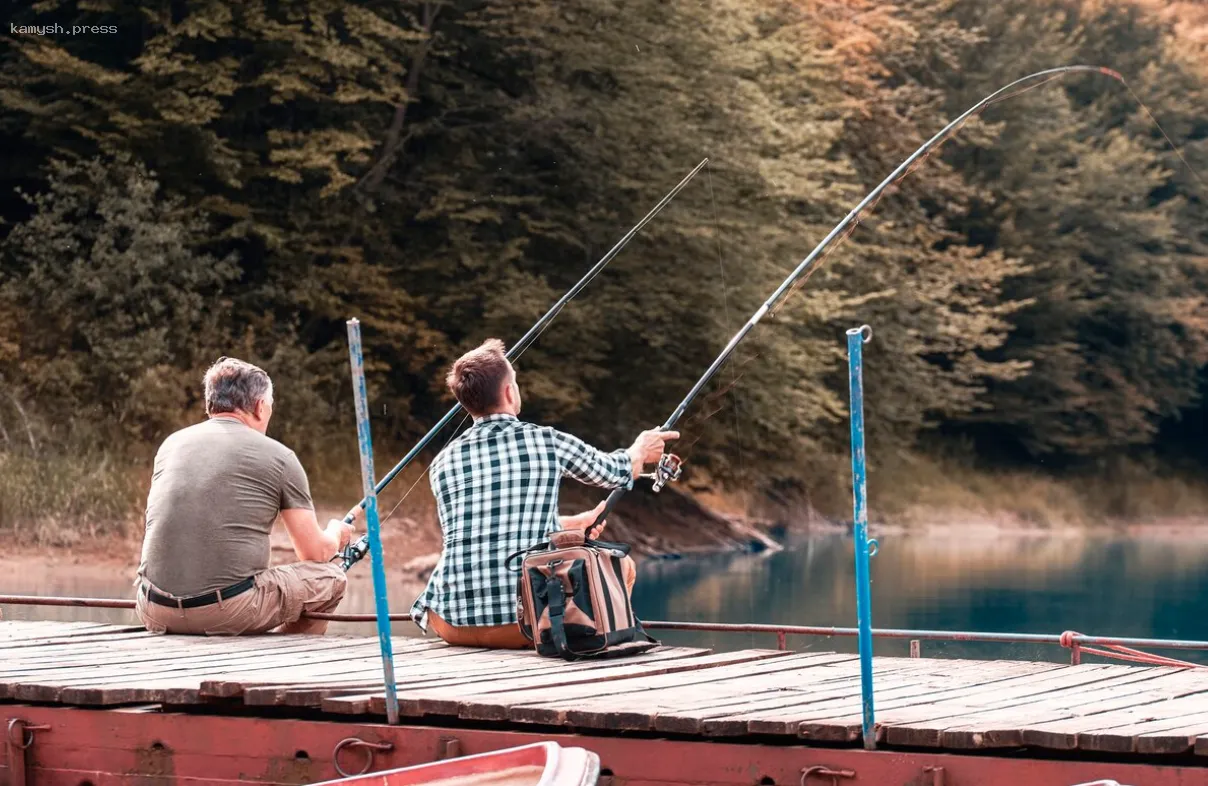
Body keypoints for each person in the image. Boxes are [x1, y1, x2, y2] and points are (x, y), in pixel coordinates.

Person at [410, 339, 678, 648]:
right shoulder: (546, 441)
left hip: (450, 623)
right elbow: (615, 471)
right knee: (622, 566)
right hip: (523, 624)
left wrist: (572, 524)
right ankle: (596, 645)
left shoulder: (442, 461)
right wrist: (641, 449)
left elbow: (489, 525)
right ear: (510, 391)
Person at [135, 357, 358, 636]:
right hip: (226, 611)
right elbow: (314, 554)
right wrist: (337, 532)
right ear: (259, 406)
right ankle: (286, 659)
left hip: (153, 608)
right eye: (270, 406)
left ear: (210, 404)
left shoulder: (171, 445)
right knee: (330, 578)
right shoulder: (280, 457)